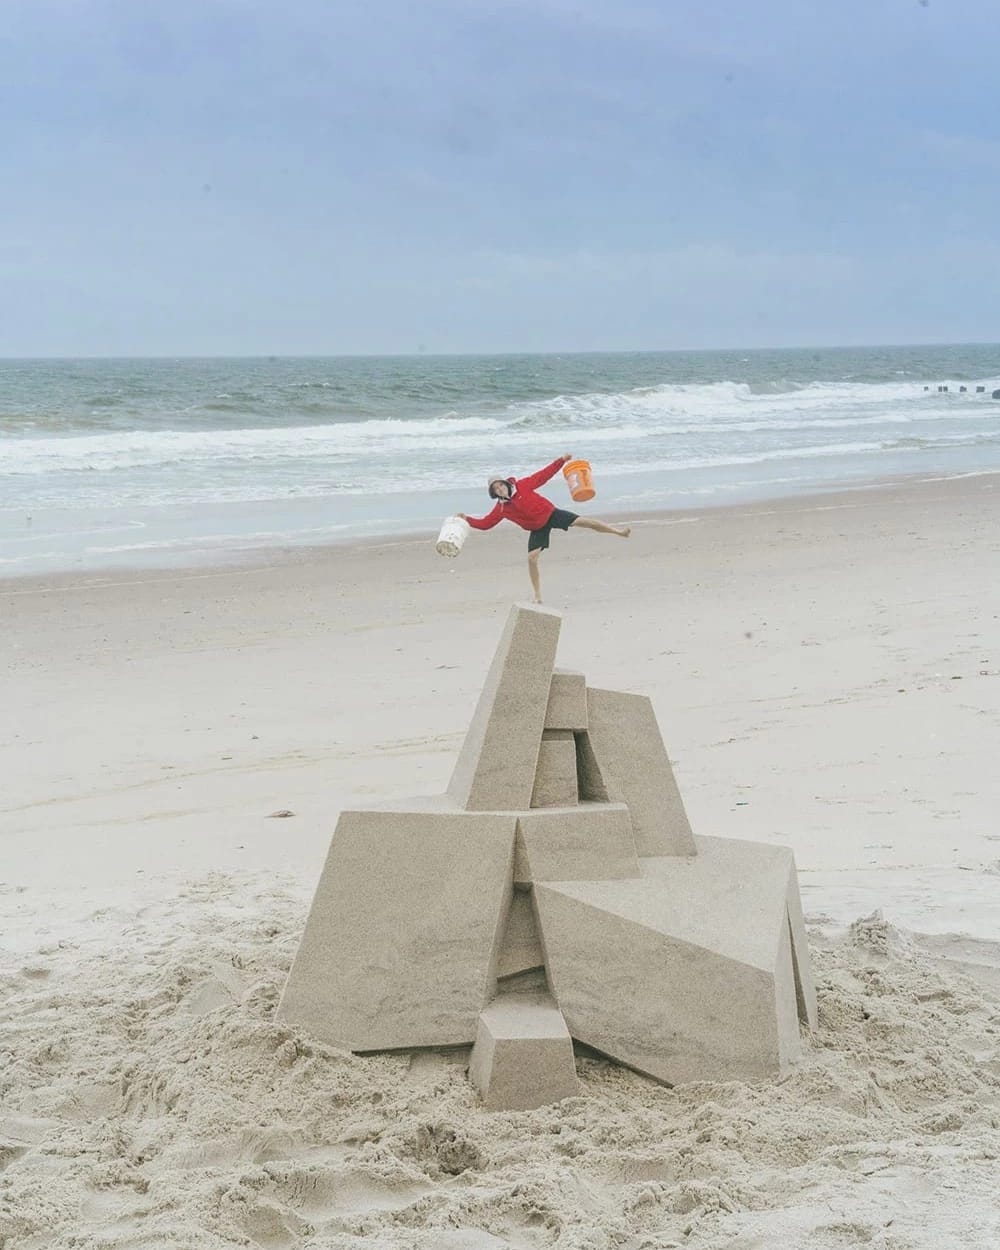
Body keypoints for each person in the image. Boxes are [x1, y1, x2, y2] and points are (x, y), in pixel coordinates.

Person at [458, 455, 630, 603]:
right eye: (495, 489)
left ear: (505, 483)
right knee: (532, 559)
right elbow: (486, 524)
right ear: (494, 493)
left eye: (500, 485)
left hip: (551, 514)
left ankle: (619, 532)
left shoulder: (523, 485)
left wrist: (561, 461)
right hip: (537, 528)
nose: (499, 489)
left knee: (585, 522)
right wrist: (467, 519)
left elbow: (543, 476)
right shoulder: (501, 509)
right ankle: (537, 594)